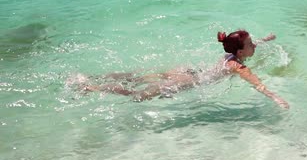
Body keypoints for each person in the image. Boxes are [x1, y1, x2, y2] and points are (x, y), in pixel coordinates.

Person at [77, 30, 290, 109]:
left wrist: (265, 40)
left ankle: (93, 77)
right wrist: (276, 98)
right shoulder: (237, 65)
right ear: (242, 52)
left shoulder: (230, 53)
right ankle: (91, 88)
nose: (254, 46)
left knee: (138, 76)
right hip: (189, 81)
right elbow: (256, 83)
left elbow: (249, 46)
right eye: (251, 44)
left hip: (188, 70)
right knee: (137, 96)